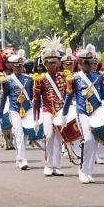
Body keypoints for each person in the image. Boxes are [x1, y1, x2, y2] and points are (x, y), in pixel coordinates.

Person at [61, 44, 104, 184]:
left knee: (94, 142)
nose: (89, 65)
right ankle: (82, 170)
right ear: (80, 63)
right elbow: (69, 97)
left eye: (92, 62)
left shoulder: (99, 77)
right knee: (87, 140)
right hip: (82, 113)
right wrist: (64, 115)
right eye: (86, 62)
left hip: (96, 113)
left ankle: (89, 171)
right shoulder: (74, 78)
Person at [33, 36, 68, 177]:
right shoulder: (40, 79)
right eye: (50, 63)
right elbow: (36, 100)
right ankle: (48, 164)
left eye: (55, 62)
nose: (53, 65)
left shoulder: (64, 77)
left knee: (59, 139)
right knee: (49, 136)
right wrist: (35, 119)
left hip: (60, 112)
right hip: (48, 111)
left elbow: (68, 95)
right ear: (45, 64)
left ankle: (57, 165)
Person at [0, 49, 34, 171]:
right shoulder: (7, 81)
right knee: (18, 133)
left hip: (27, 110)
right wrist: (0, 113)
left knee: (24, 137)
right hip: (14, 110)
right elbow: (3, 98)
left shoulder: (29, 79)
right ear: (12, 67)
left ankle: (19, 158)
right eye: (16, 66)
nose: (19, 68)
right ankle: (23, 160)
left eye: (20, 66)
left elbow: (32, 96)